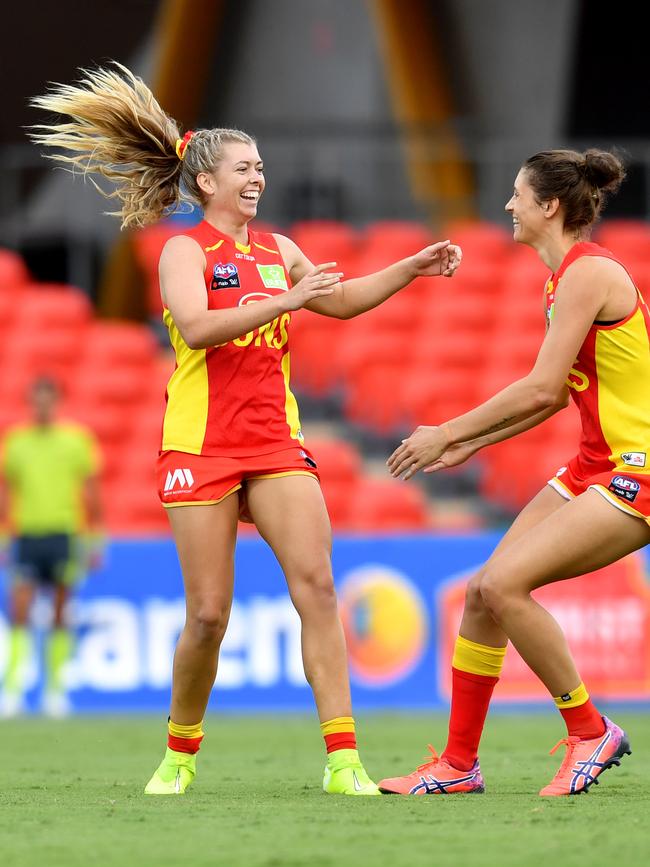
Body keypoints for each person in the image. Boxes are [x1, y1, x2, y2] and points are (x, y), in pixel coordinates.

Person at [29, 62, 462, 796]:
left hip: (275, 440)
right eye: (243, 167)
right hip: (199, 445)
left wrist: (409, 268)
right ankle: (179, 753)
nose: (257, 177)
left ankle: (343, 761)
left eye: (260, 166)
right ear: (206, 182)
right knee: (207, 614)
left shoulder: (278, 248)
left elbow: (343, 299)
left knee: (319, 586)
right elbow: (196, 329)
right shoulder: (182, 251)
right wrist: (285, 299)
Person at [379, 147, 649, 798]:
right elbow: (555, 397)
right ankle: (458, 763)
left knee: (504, 584)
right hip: (593, 463)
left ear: (549, 205)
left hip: (637, 469)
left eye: (518, 194)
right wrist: (475, 445)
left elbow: (539, 387)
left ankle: (590, 730)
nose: (508, 206)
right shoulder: (564, 278)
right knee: (481, 592)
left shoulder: (588, 273)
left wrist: (448, 431)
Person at [0, 376, 103, 718]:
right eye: (37, 399)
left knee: (60, 612)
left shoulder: (75, 441)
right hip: (27, 534)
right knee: (20, 611)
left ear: (55, 401)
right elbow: (5, 492)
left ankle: (55, 691)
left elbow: (91, 492)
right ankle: (13, 690)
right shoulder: (16, 442)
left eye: (48, 399)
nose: (42, 405)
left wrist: (95, 539)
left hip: (64, 533)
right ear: (31, 402)